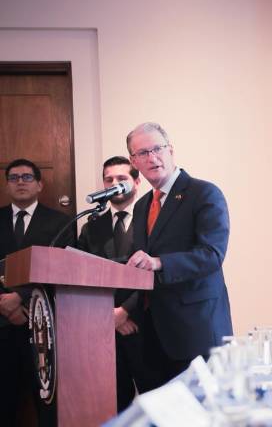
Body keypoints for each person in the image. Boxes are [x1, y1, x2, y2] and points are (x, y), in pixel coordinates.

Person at [125, 122, 232, 388]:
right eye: (143, 153)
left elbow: (212, 254)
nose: (152, 157)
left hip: (195, 332)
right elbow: (139, 262)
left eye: (157, 149)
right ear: (134, 161)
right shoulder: (141, 206)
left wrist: (159, 263)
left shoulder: (204, 193)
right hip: (151, 335)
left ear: (170, 150)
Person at [0, 158, 73, 424]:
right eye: (14, 178)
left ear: (40, 184)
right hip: (1, 324)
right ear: (7, 185)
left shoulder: (61, 222)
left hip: (43, 327)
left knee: (47, 403)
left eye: (27, 177)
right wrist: (3, 304)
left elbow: (63, 269)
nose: (20, 182)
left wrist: (21, 297)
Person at [77, 156, 150, 411]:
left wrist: (126, 311)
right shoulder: (91, 227)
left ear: (137, 182)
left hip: (145, 324)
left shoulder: (152, 219)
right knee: (114, 406)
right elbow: (82, 275)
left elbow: (155, 273)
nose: (114, 183)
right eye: (109, 179)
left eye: (121, 178)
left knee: (155, 401)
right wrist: (109, 316)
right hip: (104, 329)